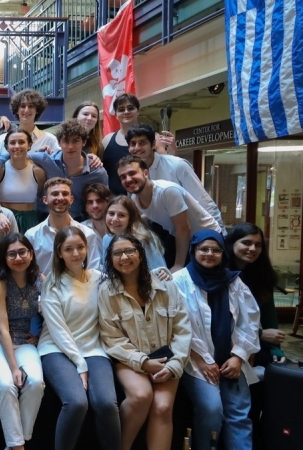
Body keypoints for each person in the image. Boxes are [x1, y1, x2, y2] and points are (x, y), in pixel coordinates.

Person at [98, 234, 191, 450]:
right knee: (141, 396)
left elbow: (183, 329)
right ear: (110, 259)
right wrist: (142, 362)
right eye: (117, 253)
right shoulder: (107, 291)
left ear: (140, 254)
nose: (124, 257)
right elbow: (111, 337)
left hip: (167, 357)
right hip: (129, 358)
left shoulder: (166, 286)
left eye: (130, 251)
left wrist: (175, 364)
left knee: (163, 405)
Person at [175, 229, 260, 450]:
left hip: (230, 361)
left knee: (239, 412)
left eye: (216, 250)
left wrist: (238, 356)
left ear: (223, 253)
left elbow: (249, 321)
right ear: (194, 250)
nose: (209, 254)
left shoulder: (234, 282)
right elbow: (175, 326)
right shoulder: (178, 281)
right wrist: (202, 360)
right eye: (204, 249)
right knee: (212, 410)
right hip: (194, 362)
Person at [38, 227, 120, 450]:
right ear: (59, 253)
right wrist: (80, 363)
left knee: (106, 404)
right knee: (76, 403)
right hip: (56, 348)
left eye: (80, 247)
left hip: (93, 348)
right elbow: (57, 329)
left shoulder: (100, 279)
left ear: (87, 248)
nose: (76, 253)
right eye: (69, 249)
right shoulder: (53, 283)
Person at [0, 233, 45, 450]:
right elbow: (2, 328)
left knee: (36, 383)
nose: (18, 258)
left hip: (26, 341)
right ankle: (18, 446)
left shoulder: (39, 279)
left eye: (22, 252)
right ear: (4, 258)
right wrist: (13, 367)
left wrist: (40, 337)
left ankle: (18, 442)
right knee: (6, 384)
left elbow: (52, 315)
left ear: (31, 254)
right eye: (12, 254)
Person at [118, 155, 222, 271]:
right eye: (123, 177)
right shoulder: (135, 198)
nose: (128, 179)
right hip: (180, 237)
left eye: (132, 173)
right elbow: (149, 213)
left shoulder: (168, 191)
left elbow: (183, 229)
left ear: (145, 173)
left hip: (207, 237)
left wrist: (179, 265)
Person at [0, 120, 108, 220]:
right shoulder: (46, 159)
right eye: (66, 141)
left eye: (75, 141)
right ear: (59, 143)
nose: (70, 146)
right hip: (44, 218)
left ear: (84, 142)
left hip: (76, 220)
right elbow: (17, 153)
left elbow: (104, 201)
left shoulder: (97, 172)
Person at [127, 124, 223, 230]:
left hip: (199, 231)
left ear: (153, 144)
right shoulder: (132, 175)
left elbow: (205, 201)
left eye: (142, 143)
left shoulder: (177, 165)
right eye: (133, 144)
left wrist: (220, 235)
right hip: (170, 233)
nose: (137, 148)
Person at [225, 223, 286, 368]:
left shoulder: (263, 276)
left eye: (258, 245)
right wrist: (260, 334)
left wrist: (276, 349)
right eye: (246, 243)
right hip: (225, 344)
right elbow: (219, 323)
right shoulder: (219, 275)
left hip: (252, 342)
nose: (253, 249)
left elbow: (270, 320)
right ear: (232, 243)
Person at [24, 177, 103, 274]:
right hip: (43, 288)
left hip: (79, 287)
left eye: (65, 194)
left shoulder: (87, 234)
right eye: (55, 194)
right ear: (45, 200)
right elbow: (29, 271)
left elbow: (93, 270)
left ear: (71, 199)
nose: (60, 198)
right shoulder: (32, 235)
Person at [0, 126, 47, 232]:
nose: (17, 146)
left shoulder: (38, 171)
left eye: (21, 142)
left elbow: (41, 197)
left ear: (29, 145)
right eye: (12, 143)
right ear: (6, 147)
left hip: (30, 220)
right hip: (6, 219)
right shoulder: (0, 170)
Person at [103, 195, 168, 272]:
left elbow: (159, 272)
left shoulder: (143, 239)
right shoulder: (106, 239)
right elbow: (107, 270)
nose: (114, 219)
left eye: (121, 215)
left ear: (130, 219)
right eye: (111, 214)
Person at [0, 89, 59, 153]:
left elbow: (61, 163)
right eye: (23, 106)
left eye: (31, 106)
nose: (26, 110)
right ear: (17, 110)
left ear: (37, 110)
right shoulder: (2, 140)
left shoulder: (49, 139)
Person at [100, 94, 139, 195]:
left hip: (143, 200)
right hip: (114, 201)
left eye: (130, 108)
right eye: (121, 109)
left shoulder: (153, 137)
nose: (126, 112)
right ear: (116, 115)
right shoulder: (107, 140)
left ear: (138, 111)